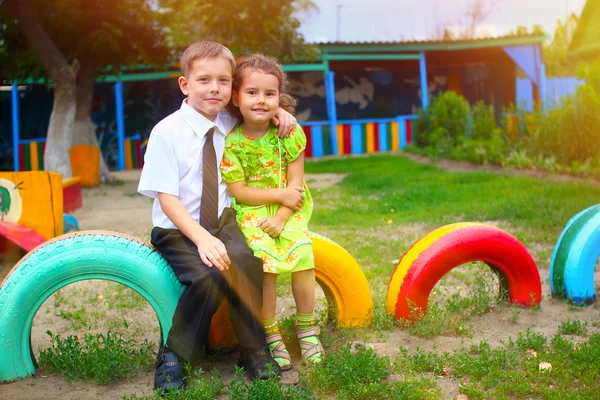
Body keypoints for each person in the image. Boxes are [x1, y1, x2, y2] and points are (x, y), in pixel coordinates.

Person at [138, 41, 298, 392]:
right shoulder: (167, 133)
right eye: (204, 80)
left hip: (223, 221)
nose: (214, 89)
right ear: (185, 84)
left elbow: (263, 107)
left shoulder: (231, 119)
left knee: (245, 259)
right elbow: (167, 199)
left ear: (232, 88)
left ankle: (254, 351)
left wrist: (282, 113)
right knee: (208, 276)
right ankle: (174, 356)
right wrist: (201, 238)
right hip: (178, 227)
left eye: (223, 82)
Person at [221, 54, 325, 371]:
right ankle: (271, 333)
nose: (262, 100)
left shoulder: (289, 134)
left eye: (270, 94)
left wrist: (280, 217)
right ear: (236, 97)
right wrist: (277, 199)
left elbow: (296, 185)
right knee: (264, 265)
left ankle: (307, 329)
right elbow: (239, 191)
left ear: (280, 97)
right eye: (252, 93)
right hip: (251, 209)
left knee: (303, 255)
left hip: (288, 208)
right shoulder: (232, 143)